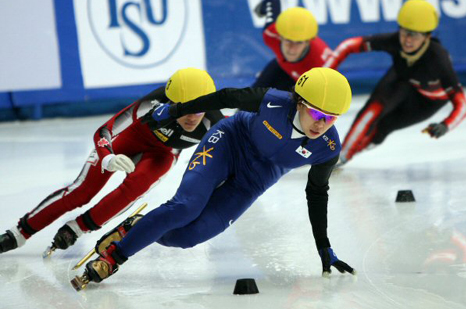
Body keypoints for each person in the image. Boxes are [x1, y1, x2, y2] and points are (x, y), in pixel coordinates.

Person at [71, 67, 356, 290]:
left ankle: (136, 226)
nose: (322, 124)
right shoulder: (272, 102)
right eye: (318, 113)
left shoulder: (327, 148)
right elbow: (224, 97)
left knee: (186, 237)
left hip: (255, 179)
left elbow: (317, 192)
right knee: (186, 207)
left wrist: (323, 245)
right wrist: (173, 110)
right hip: (229, 143)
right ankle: (113, 257)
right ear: (299, 102)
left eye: (332, 118)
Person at [0, 68, 224, 254]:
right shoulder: (152, 104)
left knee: (136, 187)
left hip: (163, 153)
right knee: (82, 191)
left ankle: (78, 228)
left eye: (200, 108)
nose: (193, 117)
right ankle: (19, 233)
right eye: (185, 109)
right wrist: (107, 157)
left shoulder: (214, 121)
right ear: (171, 102)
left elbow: (234, 145)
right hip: (129, 139)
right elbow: (104, 131)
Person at [329, 0, 466, 164]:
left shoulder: (438, 59)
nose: (408, 40)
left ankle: (345, 156)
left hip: (429, 100)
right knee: (373, 109)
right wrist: (324, 71)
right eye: (404, 32)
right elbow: (348, 46)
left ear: (427, 36)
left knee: (385, 126)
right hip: (403, 79)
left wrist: (446, 125)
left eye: (415, 35)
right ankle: (339, 156)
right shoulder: (395, 41)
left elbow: (462, 105)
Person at [252, 0, 337, 90]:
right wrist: (260, 9)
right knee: (252, 96)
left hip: (305, 80)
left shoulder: (320, 65)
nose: (292, 48)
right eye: (288, 40)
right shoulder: (271, 34)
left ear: (308, 42)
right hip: (281, 66)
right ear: (280, 37)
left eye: (299, 42)